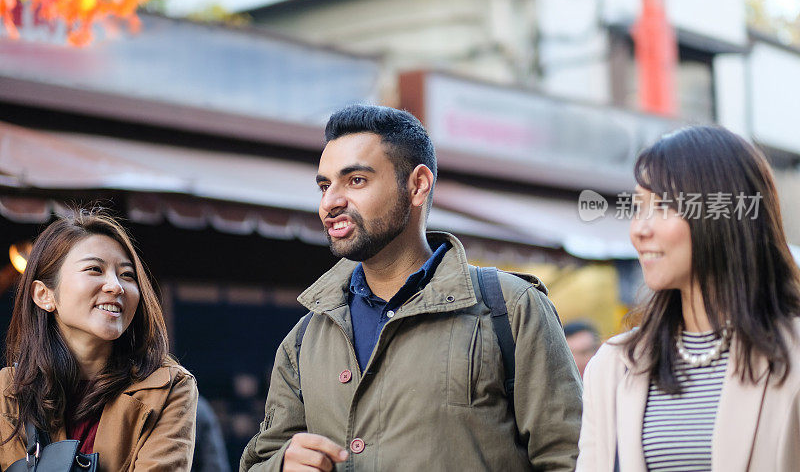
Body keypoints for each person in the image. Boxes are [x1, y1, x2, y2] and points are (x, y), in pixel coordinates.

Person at [241, 105, 582, 471]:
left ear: (417, 185)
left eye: (356, 180)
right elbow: (260, 461)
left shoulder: (509, 308)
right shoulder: (306, 338)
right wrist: (281, 466)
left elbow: (570, 458)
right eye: (325, 185)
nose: (330, 202)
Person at [577, 126, 800, 472]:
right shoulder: (612, 367)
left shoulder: (792, 352)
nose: (639, 229)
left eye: (664, 205)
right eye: (638, 206)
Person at [0, 210, 198, 471]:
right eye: (95, 269)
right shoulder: (8, 391)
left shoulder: (168, 387)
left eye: (127, 275)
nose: (115, 286)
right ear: (44, 295)